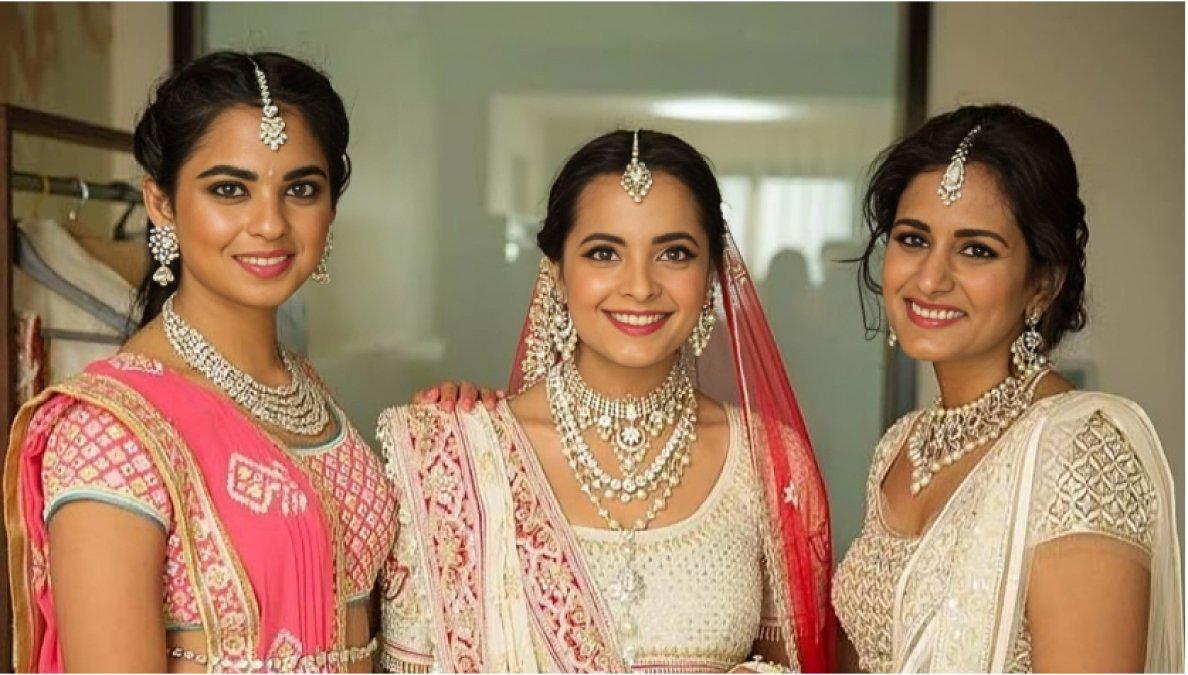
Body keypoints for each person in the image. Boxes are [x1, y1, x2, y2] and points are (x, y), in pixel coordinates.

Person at [378, 130, 834, 673]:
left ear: (712, 274)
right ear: (556, 273)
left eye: (674, 253)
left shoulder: (769, 465)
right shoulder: (454, 456)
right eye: (604, 253)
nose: (640, 286)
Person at [4, 51, 394, 672]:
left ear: (331, 207)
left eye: (300, 189)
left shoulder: (304, 387)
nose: (270, 223)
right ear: (161, 203)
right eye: (229, 190)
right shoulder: (113, 431)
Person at [832, 104, 1183, 672]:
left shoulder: (1079, 451)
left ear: (1041, 283)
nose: (930, 278)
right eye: (913, 239)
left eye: (977, 250)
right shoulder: (901, 447)